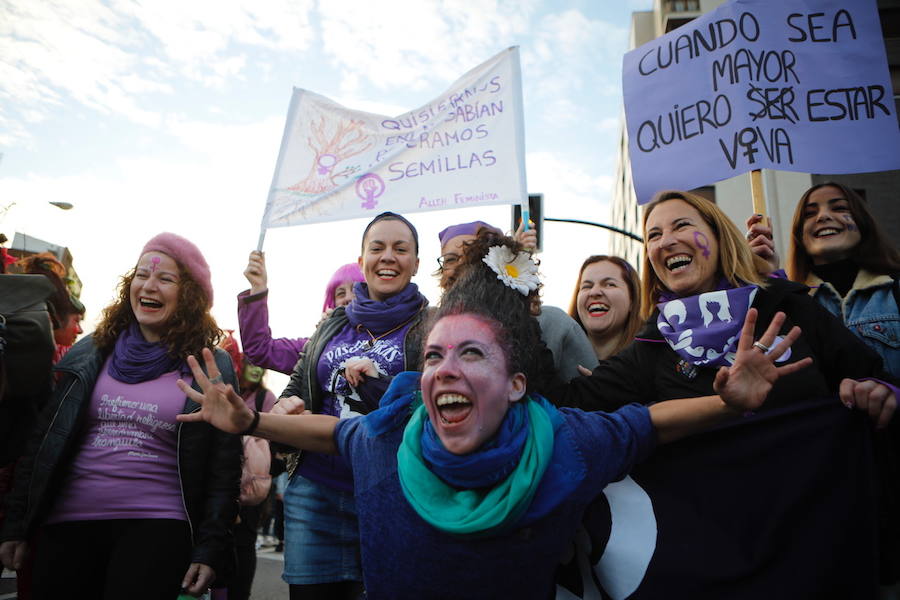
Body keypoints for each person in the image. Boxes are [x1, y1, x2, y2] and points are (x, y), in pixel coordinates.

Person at [176, 231, 817, 599]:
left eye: (471, 353)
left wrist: (729, 402)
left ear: (515, 385)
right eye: (432, 356)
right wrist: (252, 423)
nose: (444, 369)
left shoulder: (567, 443)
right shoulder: (391, 434)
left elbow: (650, 423)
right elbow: (333, 431)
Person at [552, 190, 897, 598]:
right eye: (654, 235)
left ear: (718, 238)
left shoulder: (785, 304)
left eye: (682, 225)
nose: (665, 241)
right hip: (719, 561)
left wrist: (875, 391)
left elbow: (870, 374)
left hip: (818, 542)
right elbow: (566, 406)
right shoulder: (653, 344)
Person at [0, 233, 241, 600]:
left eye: (166, 278)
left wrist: (210, 547)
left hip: (158, 529)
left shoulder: (209, 364)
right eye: (142, 274)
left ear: (190, 295)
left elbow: (224, 466)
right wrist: (16, 524)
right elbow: (44, 440)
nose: (149, 285)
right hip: (67, 524)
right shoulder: (92, 351)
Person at [275, 211, 429, 599]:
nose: (388, 257)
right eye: (377, 248)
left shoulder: (434, 326)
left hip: (391, 494)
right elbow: (298, 384)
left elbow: (435, 404)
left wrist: (381, 384)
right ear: (362, 262)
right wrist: (283, 410)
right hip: (314, 493)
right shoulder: (332, 323)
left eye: (400, 249)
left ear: (415, 263)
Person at [437, 220, 597, 381]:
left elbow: (590, 396)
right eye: (450, 259)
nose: (460, 265)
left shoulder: (554, 324)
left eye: (472, 256)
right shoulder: (431, 326)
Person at [782, 182, 900, 378]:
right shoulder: (789, 300)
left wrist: (893, 393)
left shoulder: (894, 287)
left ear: (862, 222)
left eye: (839, 208)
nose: (823, 216)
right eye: (809, 214)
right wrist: (766, 277)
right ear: (799, 235)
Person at [218, 333, 277, 600]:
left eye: (259, 365)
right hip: (223, 476)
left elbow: (275, 441)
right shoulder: (229, 389)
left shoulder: (266, 397)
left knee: (244, 542)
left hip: (251, 484)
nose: (255, 369)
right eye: (249, 363)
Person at [238, 251, 365, 374]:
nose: (348, 298)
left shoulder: (383, 338)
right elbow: (261, 349)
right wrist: (258, 287)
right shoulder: (314, 348)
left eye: (355, 290)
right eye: (341, 293)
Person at [568, 255, 643, 360]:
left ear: (632, 299)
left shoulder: (654, 361)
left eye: (609, 284)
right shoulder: (554, 363)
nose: (594, 292)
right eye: (587, 286)